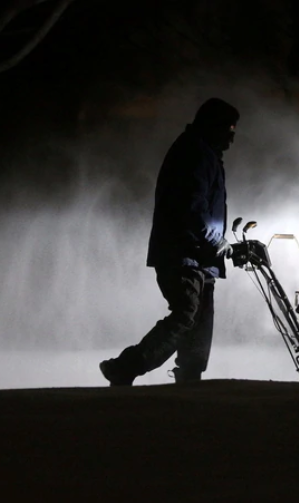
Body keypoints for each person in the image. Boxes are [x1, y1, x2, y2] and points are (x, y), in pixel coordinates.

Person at [99, 98, 239, 386]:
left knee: (200, 319)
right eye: (229, 128)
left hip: (200, 257)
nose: (232, 136)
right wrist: (217, 242)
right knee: (187, 314)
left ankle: (189, 377)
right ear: (212, 125)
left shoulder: (205, 153)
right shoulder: (195, 153)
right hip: (183, 253)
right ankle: (125, 367)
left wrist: (217, 247)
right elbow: (191, 208)